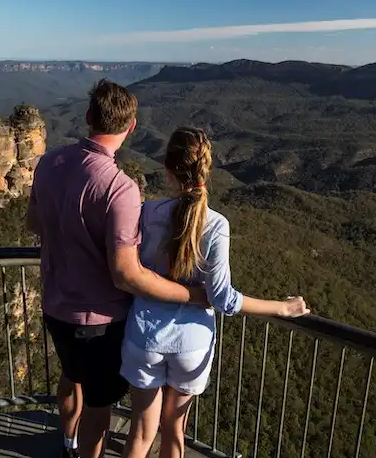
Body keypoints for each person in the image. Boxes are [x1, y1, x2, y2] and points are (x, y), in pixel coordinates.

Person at [27, 80, 208, 458]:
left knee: (70, 378)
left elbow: (33, 223)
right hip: (98, 322)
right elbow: (126, 274)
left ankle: (66, 443)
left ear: (89, 116)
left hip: (53, 305)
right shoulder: (119, 187)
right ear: (131, 127)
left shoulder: (48, 162)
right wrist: (192, 296)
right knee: (97, 407)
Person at [120, 126, 310, 458]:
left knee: (140, 432)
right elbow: (223, 298)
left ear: (167, 168)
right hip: (190, 345)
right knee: (174, 432)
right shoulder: (216, 225)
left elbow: (134, 270)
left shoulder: (148, 213)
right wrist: (282, 307)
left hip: (144, 337)